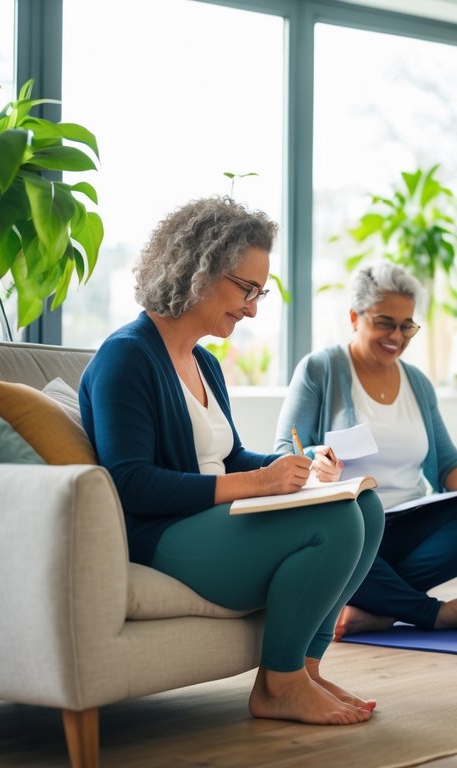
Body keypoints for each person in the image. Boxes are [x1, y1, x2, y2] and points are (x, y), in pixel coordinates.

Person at [79, 197, 383, 726]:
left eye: (259, 293)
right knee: (336, 520)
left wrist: (300, 466)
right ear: (197, 271)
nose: (252, 309)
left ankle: (306, 670)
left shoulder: (203, 363)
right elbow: (131, 483)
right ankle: (277, 684)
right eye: (246, 289)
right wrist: (258, 483)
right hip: (162, 536)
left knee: (367, 507)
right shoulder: (126, 356)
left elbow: (229, 458)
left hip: (215, 522)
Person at [276, 261, 457, 639]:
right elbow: (283, 451)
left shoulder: (417, 383)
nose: (397, 336)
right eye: (385, 323)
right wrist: (314, 461)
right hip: (348, 526)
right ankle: (431, 613)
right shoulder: (320, 368)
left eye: (407, 326)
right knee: (334, 544)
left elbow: (449, 470)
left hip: (405, 525)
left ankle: (370, 606)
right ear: (355, 317)